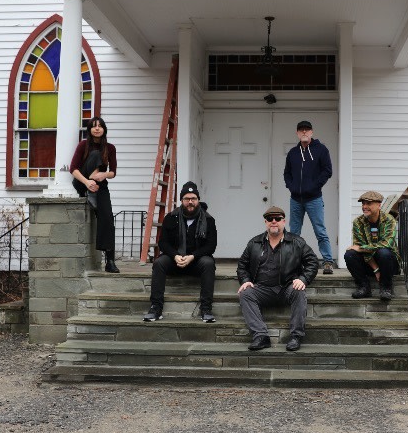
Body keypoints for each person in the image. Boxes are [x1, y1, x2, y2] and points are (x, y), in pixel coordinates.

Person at [236, 206, 319, 352]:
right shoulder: (254, 243)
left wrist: (303, 279)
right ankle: (261, 336)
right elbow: (242, 265)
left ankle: (296, 336)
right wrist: (245, 280)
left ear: (284, 221)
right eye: (270, 219)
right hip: (262, 289)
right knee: (245, 293)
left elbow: (312, 262)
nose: (273, 221)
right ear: (266, 222)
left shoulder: (297, 242)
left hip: (287, 288)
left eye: (278, 218)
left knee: (299, 292)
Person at [142, 181, 218, 323]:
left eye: (193, 198)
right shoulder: (171, 218)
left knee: (208, 263)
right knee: (159, 263)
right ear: (182, 200)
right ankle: (156, 308)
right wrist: (175, 255)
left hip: (196, 262)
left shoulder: (208, 220)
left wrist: (192, 256)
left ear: (198, 200)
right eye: (187, 199)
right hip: (175, 260)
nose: (190, 202)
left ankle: (206, 309)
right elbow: (163, 243)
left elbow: (211, 246)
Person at [283, 120, 335, 275]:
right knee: (294, 233)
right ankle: (293, 263)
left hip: (314, 199)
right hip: (295, 200)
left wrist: (314, 186)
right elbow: (287, 173)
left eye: (307, 130)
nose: (304, 132)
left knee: (320, 230)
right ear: (297, 133)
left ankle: (327, 262)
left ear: (312, 132)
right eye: (301, 130)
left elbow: (327, 171)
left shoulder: (321, 150)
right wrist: (291, 187)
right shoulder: (293, 153)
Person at [69, 116, 119, 273]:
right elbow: (73, 169)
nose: (97, 128)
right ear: (89, 129)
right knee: (96, 154)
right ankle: (89, 192)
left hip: (100, 184)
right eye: (94, 126)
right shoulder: (83, 145)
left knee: (108, 218)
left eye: (100, 126)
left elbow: (113, 172)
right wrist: (87, 182)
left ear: (104, 129)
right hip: (83, 182)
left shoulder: (110, 148)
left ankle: (110, 261)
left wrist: (104, 175)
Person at [344, 191, 400, 301]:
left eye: (368, 204)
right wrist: (376, 269)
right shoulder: (358, 222)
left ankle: (386, 288)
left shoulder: (389, 220)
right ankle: (364, 287)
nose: (364, 207)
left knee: (383, 252)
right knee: (350, 254)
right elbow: (359, 247)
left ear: (379, 205)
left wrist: (362, 248)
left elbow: (387, 243)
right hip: (370, 263)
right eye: (363, 204)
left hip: (389, 264)